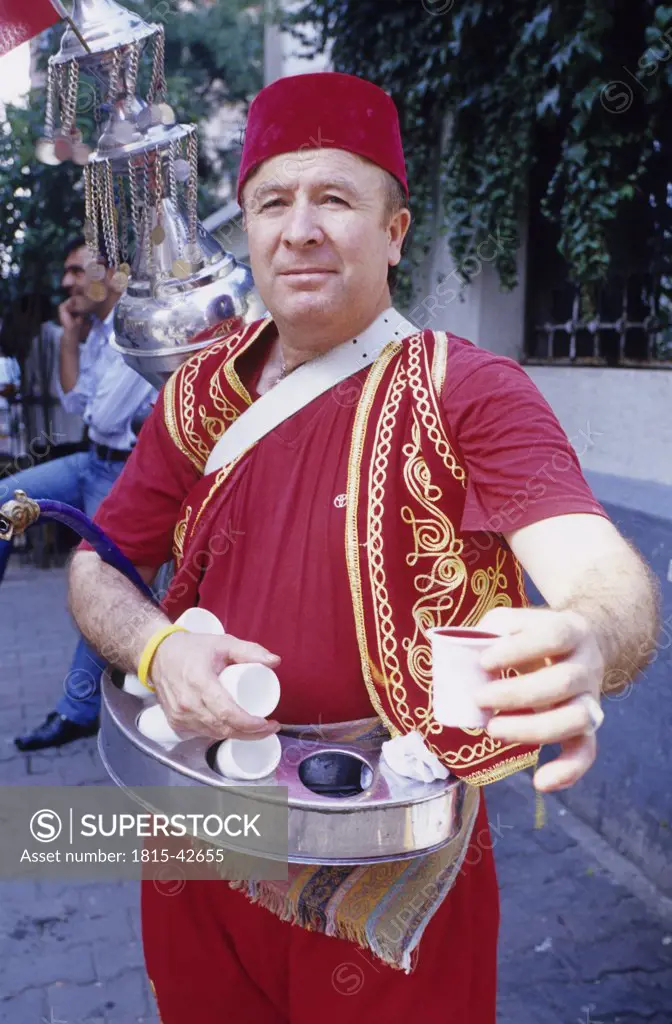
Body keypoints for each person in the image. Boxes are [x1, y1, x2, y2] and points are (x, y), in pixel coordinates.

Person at [67, 73, 659, 1023]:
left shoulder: (468, 390)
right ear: (249, 230)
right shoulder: (199, 392)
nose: (299, 229)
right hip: (202, 838)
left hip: (391, 869)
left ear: (394, 231)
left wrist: (593, 636)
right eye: (273, 202)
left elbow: (596, 564)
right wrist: (157, 647)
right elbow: (100, 563)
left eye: (335, 199)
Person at [7, 236, 156, 751]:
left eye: (78, 271)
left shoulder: (138, 325)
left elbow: (106, 413)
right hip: (91, 457)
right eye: (66, 272)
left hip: (123, 474)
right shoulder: (95, 332)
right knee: (5, 500)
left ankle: (77, 710)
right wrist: (70, 338)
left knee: (104, 581)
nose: (67, 282)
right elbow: (76, 399)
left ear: (114, 274)